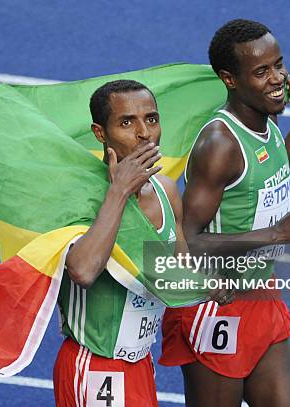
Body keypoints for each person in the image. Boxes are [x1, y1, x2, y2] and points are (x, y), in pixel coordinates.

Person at [159, 19, 290, 406]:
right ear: (230, 80)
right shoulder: (219, 144)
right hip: (216, 302)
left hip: (261, 294)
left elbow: (264, 178)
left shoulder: (265, 123)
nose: (277, 79)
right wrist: (276, 234)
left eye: (278, 65)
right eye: (261, 71)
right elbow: (186, 241)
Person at [53, 79, 189, 407]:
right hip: (95, 367)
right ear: (100, 133)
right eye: (127, 122)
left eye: (151, 119)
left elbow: (180, 271)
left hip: (140, 363)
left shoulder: (166, 191)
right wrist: (119, 191)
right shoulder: (80, 199)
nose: (144, 133)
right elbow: (83, 271)